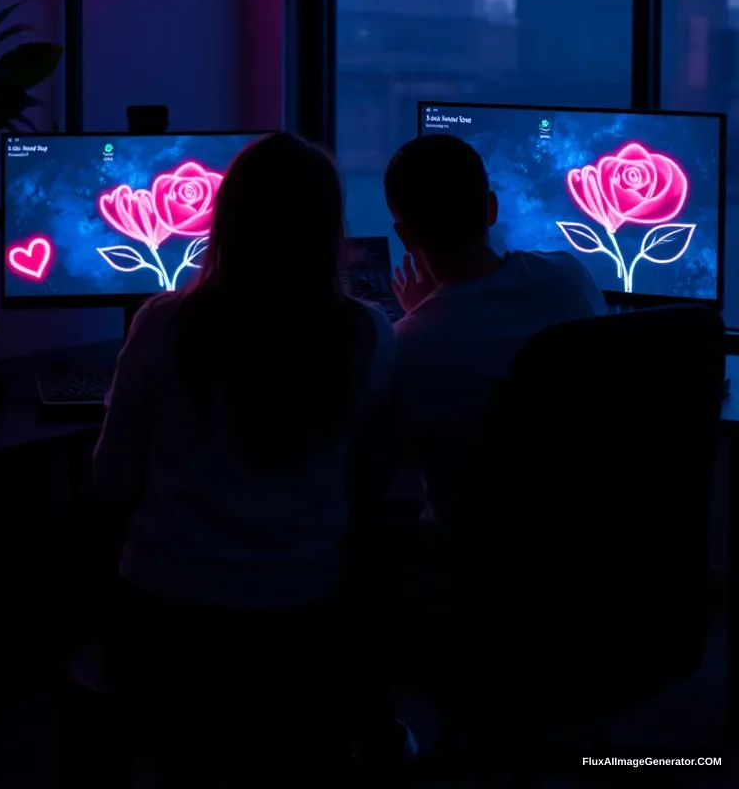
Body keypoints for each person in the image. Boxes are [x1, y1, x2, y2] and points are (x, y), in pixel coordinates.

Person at [88, 133, 396, 787]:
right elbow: (371, 485)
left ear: (225, 220)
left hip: (167, 619)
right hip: (302, 621)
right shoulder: (367, 333)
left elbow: (109, 480)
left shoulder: (162, 323)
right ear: (328, 227)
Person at [385, 134, 607, 527]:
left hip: (465, 567)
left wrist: (420, 312)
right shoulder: (570, 277)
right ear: (491, 209)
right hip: (583, 542)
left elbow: (382, 461)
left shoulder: (409, 344)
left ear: (406, 237)